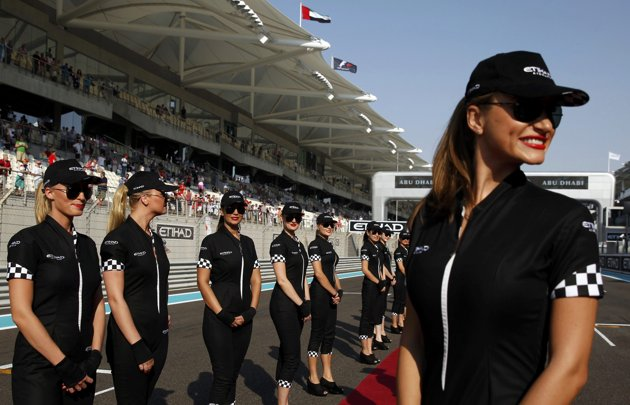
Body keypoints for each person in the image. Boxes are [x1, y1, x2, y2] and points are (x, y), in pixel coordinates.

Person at [397, 51, 604, 405]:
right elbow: (413, 342)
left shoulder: (568, 222)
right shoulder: (428, 217)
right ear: (475, 118)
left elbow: (570, 369)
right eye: (525, 108)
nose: (545, 125)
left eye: (553, 112)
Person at [6, 159, 105, 404]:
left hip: (82, 366)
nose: (81, 196)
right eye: (73, 189)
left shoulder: (88, 246)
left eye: (86, 190)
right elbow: (20, 313)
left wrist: (94, 356)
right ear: (49, 192)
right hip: (39, 368)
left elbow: (97, 302)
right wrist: (63, 366)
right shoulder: (27, 241)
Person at [100, 171, 178, 404]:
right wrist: (137, 346)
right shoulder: (117, 240)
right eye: (162, 194)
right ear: (144, 198)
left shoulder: (155, 238)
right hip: (130, 340)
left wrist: (161, 313)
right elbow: (115, 299)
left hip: (159, 336)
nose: (167, 198)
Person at [196, 190, 262, 405]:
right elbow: (202, 282)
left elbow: (256, 280)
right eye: (230, 208)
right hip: (219, 319)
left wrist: (251, 310)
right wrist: (222, 314)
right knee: (223, 376)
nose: (235, 212)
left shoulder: (249, 243)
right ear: (222, 211)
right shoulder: (211, 242)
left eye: (239, 208)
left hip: (245, 318)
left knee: (233, 374)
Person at [269, 202, 310, 405]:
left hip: (299, 304)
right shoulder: (278, 243)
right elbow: (282, 280)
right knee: (293, 355)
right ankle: (283, 403)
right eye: (290, 217)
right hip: (283, 305)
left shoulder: (299, 244)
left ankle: (282, 399)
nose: (294, 220)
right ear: (282, 217)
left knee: (287, 353)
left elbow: (303, 277)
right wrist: (301, 303)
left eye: (298, 217)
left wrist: (307, 302)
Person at [306, 213, 344, 396]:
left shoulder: (329, 245)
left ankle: (327, 377)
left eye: (332, 225)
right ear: (318, 225)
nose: (330, 227)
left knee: (330, 336)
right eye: (326, 224)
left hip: (331, 295)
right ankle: (313, 378)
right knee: (317, 335)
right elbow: (319, 274)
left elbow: (332, 271)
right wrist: (333, 292)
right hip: (320, 295)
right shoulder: (314, 245)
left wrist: (340, 290)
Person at [357, 221, 386, 365]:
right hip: (370, 287)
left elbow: (380, 267)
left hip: (378, 286)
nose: (376, 234)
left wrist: (383, 280)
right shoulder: (365, 248)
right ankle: (364, 351)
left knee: (374, 317)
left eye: (378, 232)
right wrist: (378, 281)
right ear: (368, 232)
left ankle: (369, 350)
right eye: (373, 232)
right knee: (366, 318)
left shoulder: (378, 247)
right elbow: (365, 269)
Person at [374, 228, 395, 349]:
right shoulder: (379, 247)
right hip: (382, 280)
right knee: (379, 307)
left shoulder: (385, 248)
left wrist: (393, 275)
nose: (388, 236)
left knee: (382, 307)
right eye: (385, 234)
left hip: (387, 279)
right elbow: (381, 266)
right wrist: (390, 277)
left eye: (389, 234)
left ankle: (381, 332)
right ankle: (377, 334)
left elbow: (388, 264)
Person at [390, 230, 410, 334]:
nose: (406, 240)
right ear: (400, 239)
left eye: (408, 238)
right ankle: (394, 324)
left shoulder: (406, 250)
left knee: (403, 302)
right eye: (404, 238)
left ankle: (401, 323)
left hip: (405, 279)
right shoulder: (398, 251)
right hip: (400, 279)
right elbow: (401, 267)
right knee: (397, 302)